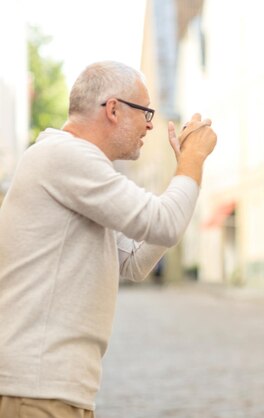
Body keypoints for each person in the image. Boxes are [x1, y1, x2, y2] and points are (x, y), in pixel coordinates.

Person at [0, 61, 217, 417]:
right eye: (146, 112)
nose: (151, 124)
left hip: (54, 388)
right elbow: (163, 223)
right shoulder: (67, 157)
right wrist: (192, 161)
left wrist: (186, 171)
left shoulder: (72, 164)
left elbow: (133, 262)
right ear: (113, 109)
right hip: (37, 388)